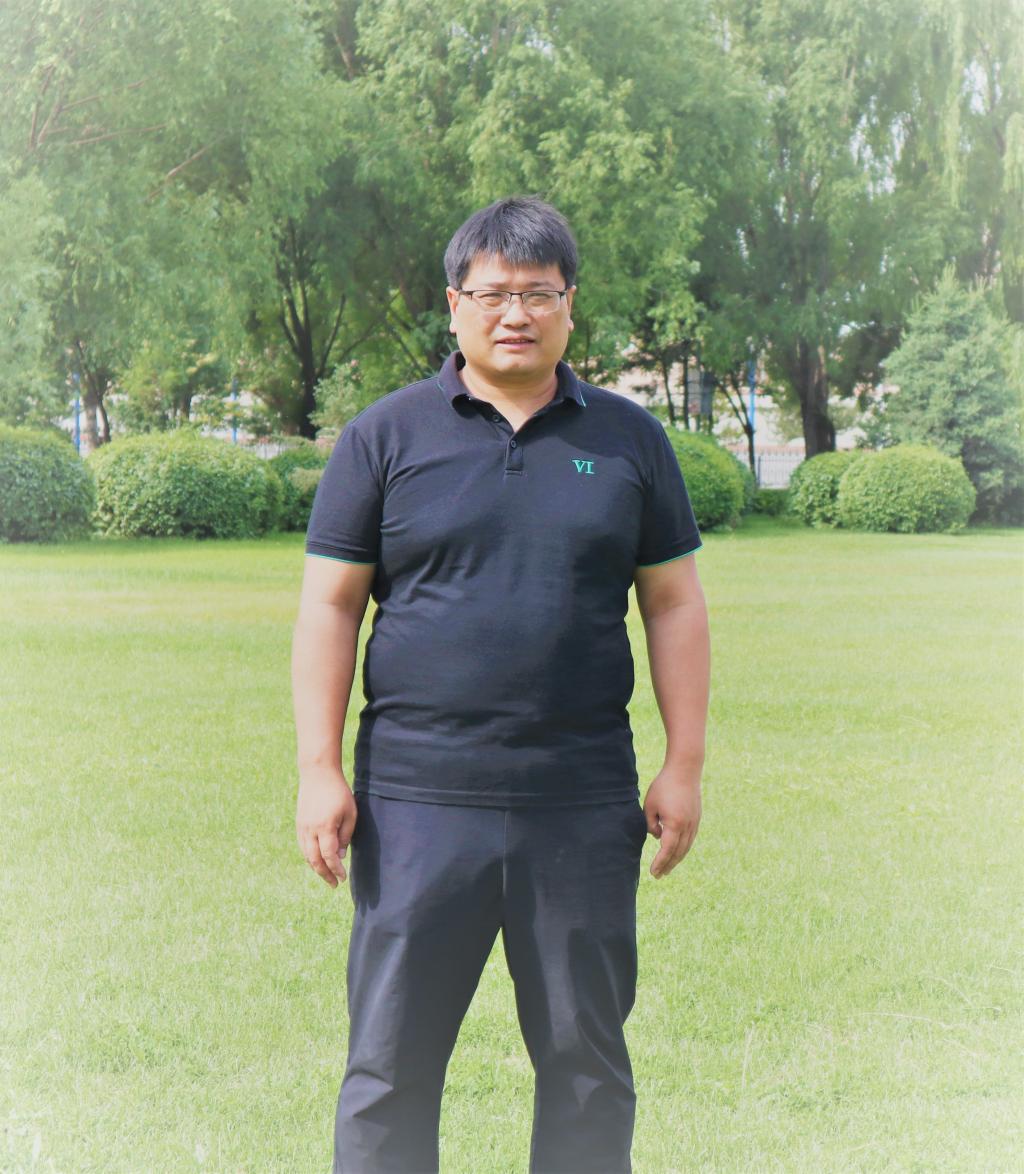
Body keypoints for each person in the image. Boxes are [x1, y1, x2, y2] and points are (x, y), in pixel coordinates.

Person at [291, 196, 710, 1174]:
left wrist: (683, 764)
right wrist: (319, 769)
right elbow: (330, 607)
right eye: (492, 293)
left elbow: (674, 604)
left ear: (569, 305)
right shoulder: (385, 437)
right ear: (455, 305)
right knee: (389, 1066)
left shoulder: (629, 439)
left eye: (538, 293)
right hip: (416, 801)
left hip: (580, 800)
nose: (515, 313)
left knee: (586, 1066)